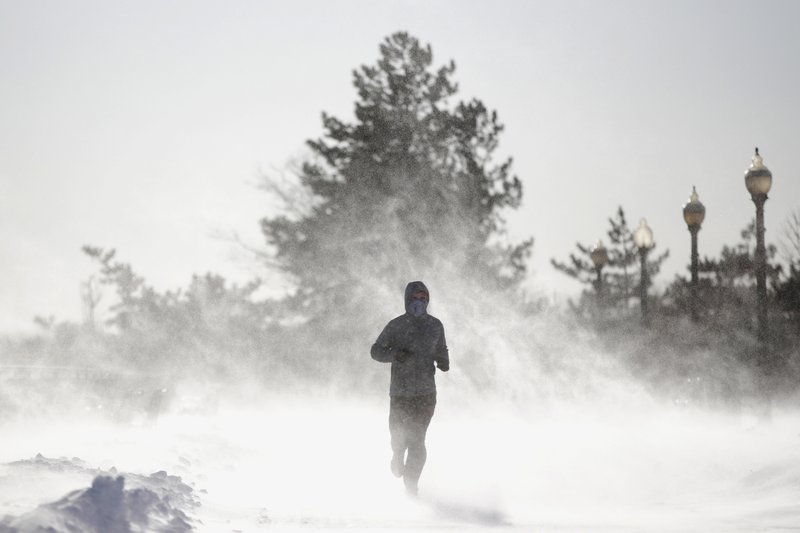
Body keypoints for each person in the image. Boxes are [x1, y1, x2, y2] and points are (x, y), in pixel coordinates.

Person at [370, 281, 449, 496]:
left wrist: (443, 361)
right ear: (407, 300)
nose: (419, 302)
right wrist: (395, 353)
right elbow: (376, 351)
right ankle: (397, 454)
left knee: (417, 440)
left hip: (425, 394)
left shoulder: (435, 325)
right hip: (400, 394)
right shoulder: (396, 326)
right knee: (399, 437)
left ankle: (411, 485)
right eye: (415, 298)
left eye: (423, 299)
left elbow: (441, 348)